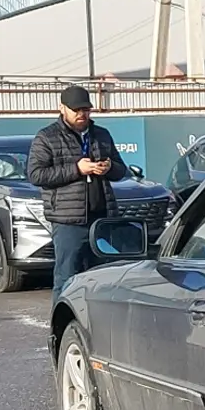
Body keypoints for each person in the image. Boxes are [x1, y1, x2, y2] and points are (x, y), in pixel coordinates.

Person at [29, 84, 129, 303]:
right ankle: (61, 321)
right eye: (76, 110)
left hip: (102, 218)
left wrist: (109, 167)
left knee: (103, 277)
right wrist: (77, 169)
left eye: (86, 109)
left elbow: (122, 170)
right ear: (62, 108)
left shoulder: (101, 134)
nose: (82, 114)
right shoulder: (47, 137)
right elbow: (36, 175)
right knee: (67, 277)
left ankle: (97, 322)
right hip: (68, 221)